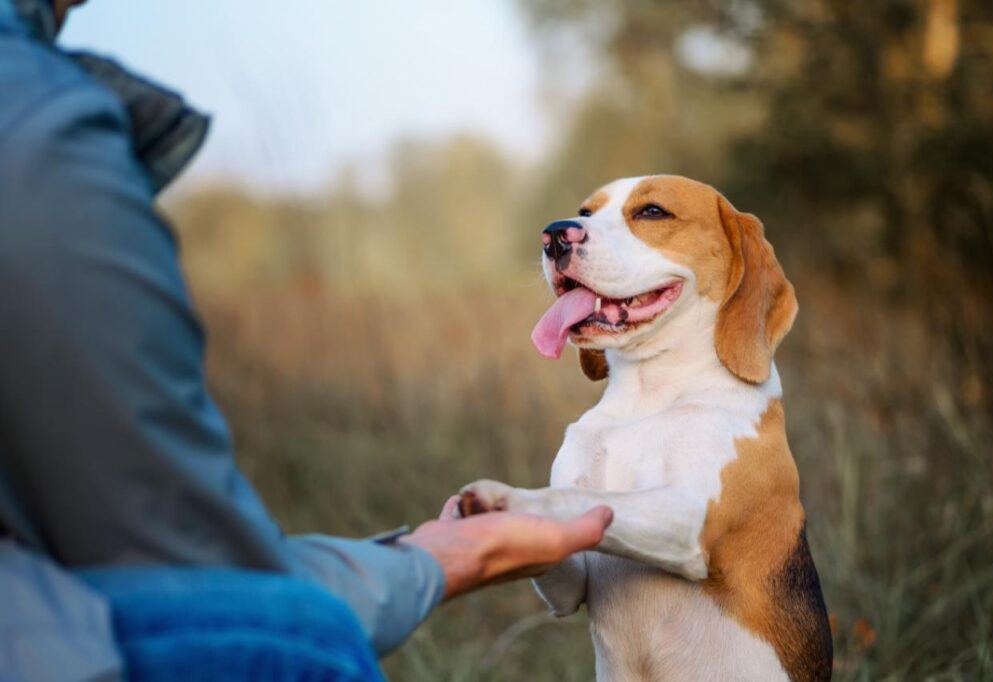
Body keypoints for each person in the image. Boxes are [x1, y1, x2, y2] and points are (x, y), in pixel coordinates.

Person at [0, 1, 612, 679]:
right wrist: (445, 560)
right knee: (301, 645)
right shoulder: (35, 120)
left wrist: (428, 556)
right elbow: (216, 586)